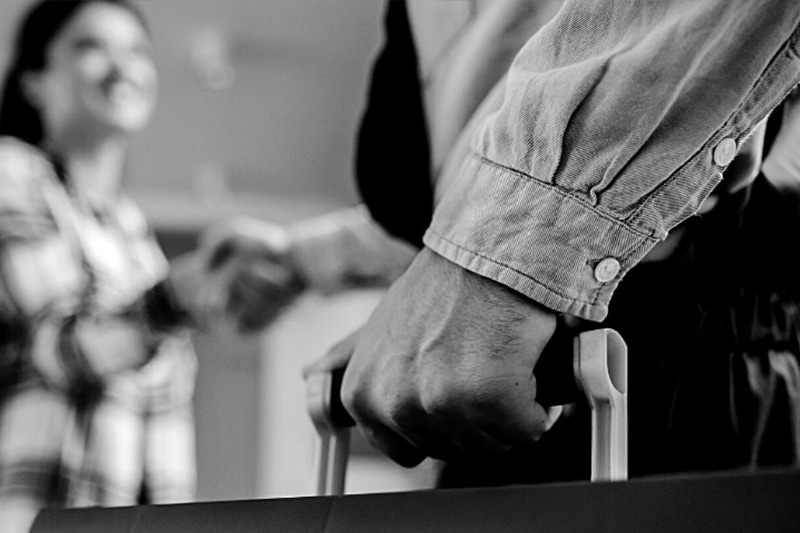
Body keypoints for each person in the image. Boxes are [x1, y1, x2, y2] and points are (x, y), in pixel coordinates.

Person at [210, 0, 800, 482]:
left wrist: (496, 264)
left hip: (697, 394)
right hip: (499, 413)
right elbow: (474, 187)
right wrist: (303, 260)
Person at [0, 1, 275, 530]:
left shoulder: (134, 235)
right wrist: (179, 299)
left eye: (136, 51)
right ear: (34, 80)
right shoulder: (15, 175)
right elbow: (63, 346)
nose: (122, 66)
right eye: (90, 46)